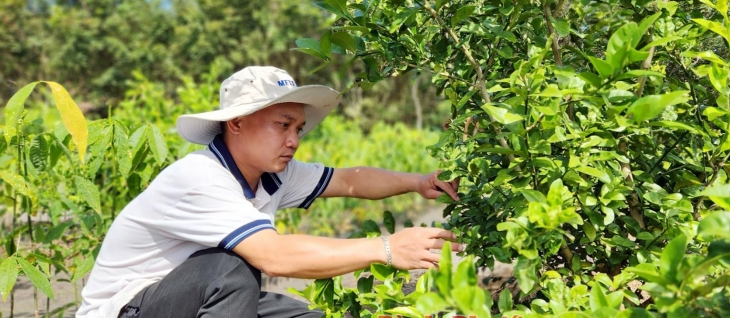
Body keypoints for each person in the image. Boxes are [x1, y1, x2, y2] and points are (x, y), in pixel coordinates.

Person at [75, 66, 462, 318]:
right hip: (129, 310)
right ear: (238, 123)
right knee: (232, 266)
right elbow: (273, 257)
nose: (294, 139)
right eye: (283, 124)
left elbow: (349, 180)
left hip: (196, 302)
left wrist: (418, 182)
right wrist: (389, 249)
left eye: (298, 128)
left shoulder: (273, 172)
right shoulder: (200, 177)